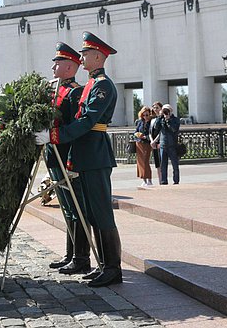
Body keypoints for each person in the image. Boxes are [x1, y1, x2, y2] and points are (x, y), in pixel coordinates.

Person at [35, 31, 122, 288]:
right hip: (84, 155)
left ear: (97, 56)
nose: (81, 57)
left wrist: (53, 135)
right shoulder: (93, 84)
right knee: (92, 214)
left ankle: (113, 268)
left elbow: (87, 121)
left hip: (95, 154)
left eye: (85, 54)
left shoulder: (103, 85)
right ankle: (103, 266)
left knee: (102, 213)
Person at [45, 42, 90, 275]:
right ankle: (71, 254)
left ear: (71, 67)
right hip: (54, 157)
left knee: (77, 207)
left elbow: (75, 129)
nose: (54, 66)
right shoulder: (57, 91)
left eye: (58, 62)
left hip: (67, 158)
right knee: (67, 208)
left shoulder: (74, 93)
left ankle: (82, 257)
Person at [153, 104, 180, 185]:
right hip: (163, 145)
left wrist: (168, 120)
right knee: (163, 165)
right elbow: (156, 128)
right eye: (164, 110)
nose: (166, 112)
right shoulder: (161, 119)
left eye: (167, 110)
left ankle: (176, 180)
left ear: (171, 111)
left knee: (175, 165)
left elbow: (174, 129)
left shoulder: (175, 120)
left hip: (172, 145)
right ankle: (164, 181)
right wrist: (159, 117)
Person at [134, 106, 153, 187]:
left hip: (147, 143)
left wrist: (145, 137)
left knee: (145, 161)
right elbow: (136, 131)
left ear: (150, 114)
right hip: (139, 143)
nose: (145, 117)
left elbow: (153, 133)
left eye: (147, 115)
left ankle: (149, 179)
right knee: (140, 162)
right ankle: (143, 179)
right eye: (143, 115)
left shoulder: (151, 122)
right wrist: (137, 135)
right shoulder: (140, 122)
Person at [149, 101, 163, 183]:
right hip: (153, 144)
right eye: (154, 107)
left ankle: (163, 180)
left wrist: (155, 141)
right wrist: (151, 141)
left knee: (162, 162)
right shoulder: (153, 120)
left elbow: (161, 131)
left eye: (157, 107)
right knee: (157, 163)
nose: (155, 109)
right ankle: (159, 180)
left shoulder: (162, 118)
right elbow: (150, 132)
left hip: (160, 142)